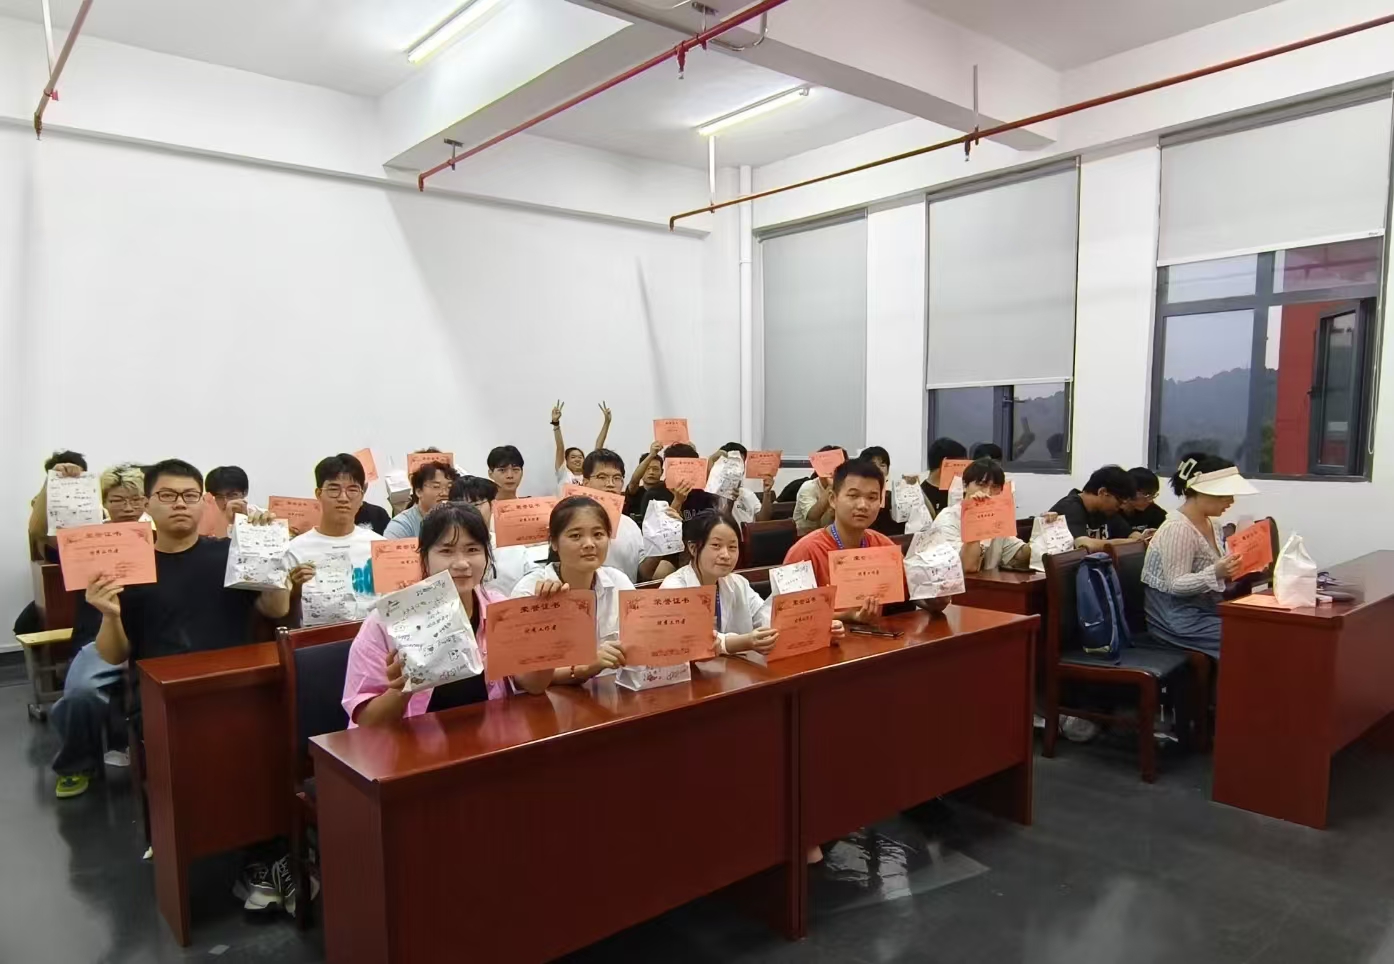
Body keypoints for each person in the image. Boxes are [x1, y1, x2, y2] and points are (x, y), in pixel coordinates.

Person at [66, 460, 312, 801]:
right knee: (189, 793)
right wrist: (109, 615)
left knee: (254, 778)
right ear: (147, 503)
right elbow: (113, 654)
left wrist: (270, 551)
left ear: (202, 503)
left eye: (190, 496)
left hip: (234, 689)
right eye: (168, 495)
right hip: (165, 700)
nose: (180, 504)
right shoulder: (130, 567)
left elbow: (276, 608)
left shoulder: (230, 554)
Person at [342, 502, 551, 728]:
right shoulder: (386, 622)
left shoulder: (500, 609)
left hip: (488, 740)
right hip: (411, 745)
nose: (461, 563)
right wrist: (403, 689)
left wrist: (546, 633)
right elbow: (367, 722)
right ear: (424, 558)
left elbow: (534, 685)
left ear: (487, 555)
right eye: (446, 551)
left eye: (473, 550)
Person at [48, 463, 148, 791]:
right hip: (100, 637)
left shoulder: (160, 536)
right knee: (81, 693)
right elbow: (43, 534)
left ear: (147, 501)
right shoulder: (85, 538)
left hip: (153, 635)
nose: (128, 507)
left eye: (136, 499)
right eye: (118, 500)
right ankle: (77, 763)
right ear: (103, 501)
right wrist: (56, 485)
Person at [660, 510, 845, 664]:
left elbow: (765, 618)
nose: (726, 555)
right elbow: (691, 642)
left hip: (734, 672)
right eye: (716, 545)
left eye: (732, 547)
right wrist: (745, 642)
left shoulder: (737, 583)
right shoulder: (674, 588)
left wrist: (818, 627)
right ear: (693, 548)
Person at [784, 458, 949, 620]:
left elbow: (913, 593)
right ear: (833, 500)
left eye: (872, 498)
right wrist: (846, 617)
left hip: (877, 635)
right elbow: (789, 616)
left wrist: (935, 600)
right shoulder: (805, 551)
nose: (863, 505)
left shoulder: (883, 546)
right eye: (853, 496)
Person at [1142, 454, 1258, 658]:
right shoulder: (1178, 528)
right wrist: (1217, 572)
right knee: (1249, 637)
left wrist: (1237, 567)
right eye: (1224, 494)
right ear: (1201, 491)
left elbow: (1213, 573)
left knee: (1261, 629)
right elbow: (1176, 585)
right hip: (1177, 619)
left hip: (1205, 609)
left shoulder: (1212, 524)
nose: (1231, 501)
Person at [511, 496, 629, 686]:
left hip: (611, 692)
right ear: (554, 542)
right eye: (575, 536)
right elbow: (520, 678)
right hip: (549, 699)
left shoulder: (619, 582)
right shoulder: (530, 590)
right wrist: (583, 669)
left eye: (598, 534)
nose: (589, 544)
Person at [285, 453, 384, 619]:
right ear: (318, 494)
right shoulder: (295, 549)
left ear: (361, 496)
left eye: (352, 490)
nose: (343, 498)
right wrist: (295, 590)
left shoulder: (379, 547)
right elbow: (281, 613)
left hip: (371, 634)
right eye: (333, 489)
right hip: (316, 634)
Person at [927, 458, 1042, 573]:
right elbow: (967, 566)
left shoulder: (996, 518)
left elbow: (1020, 554)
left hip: (988, 582)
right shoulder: (948, 518)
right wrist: (975, 515)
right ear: (965, 485)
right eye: (981, 485)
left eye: (995, 487)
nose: (987, 493)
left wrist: (1045, 531)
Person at [449, 475, 543, 596]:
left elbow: (536, 573)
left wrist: (519, 594)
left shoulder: (510, 547)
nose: (468, 513)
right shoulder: (444, 551)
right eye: (461, 507)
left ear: (492, 505)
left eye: (475, 505)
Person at [576, 449, 653, 582]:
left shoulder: (630, 524)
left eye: (617, 478)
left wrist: (659, 545)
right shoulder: (571, 522)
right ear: (586, 483)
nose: (610, 484)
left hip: (626, 593)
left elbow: (643, 573)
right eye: (602, 477)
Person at [1049, 465, 1139, 552]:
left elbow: (1134, 535)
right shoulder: (1070, 508)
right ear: (1102, 492)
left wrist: (1135, 539)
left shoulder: (1106, 511)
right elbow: (1085, 544)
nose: (1122, 507)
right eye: (1119, 502)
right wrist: (1129, 542)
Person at [26, 450, 88, 562]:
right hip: (58, 560)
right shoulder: (41, 501)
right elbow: (36, 531)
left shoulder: (93, 501)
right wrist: (52, 478)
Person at [860, 445, 927, 535]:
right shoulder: (859, 499)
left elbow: (921, 518)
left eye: (882, 465)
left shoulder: (894, 497)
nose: (878, 469)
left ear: (887, 471)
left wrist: (915, 489)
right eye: (873, 465)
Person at [384, 458, 458, 539]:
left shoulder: (459, 520)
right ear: (419, 491)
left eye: (449, 487)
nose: (444, 493)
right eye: (436, 487)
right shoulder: (401, 526)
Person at [552, 400, 611, 493]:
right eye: (573, 457)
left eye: (580, 457)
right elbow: (560, 448)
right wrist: (556, 423)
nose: (577, 459)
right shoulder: (564, 474)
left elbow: (598, 448)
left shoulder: (589, 476)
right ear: (566, 461)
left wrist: (607, 422)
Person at [793, 446, 846, 536]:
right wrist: (831, 486)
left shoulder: (847, 487)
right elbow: (812, 516)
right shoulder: (809, 487)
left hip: (833, 533)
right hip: (804, 535)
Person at [720, 442, 775, 525]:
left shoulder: (747, 493)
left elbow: (763, 520)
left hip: (752, 533)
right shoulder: (713, 496)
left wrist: (767, 493)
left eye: (741, 464)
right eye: (734, 463)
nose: (739, 469)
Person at [921, 437, 967, 516]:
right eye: (961, 464)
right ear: (945, 464)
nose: (965, 469)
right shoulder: (920, 497)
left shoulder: (964, 492)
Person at [623, 442, 665, 519]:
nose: (651, 472)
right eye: (647, 468)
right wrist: (652, 455)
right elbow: (634, 481)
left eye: (655, 469)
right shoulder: (635, 491)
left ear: (662, 472)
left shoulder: (667, 491)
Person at [1122, 467, 1168, 533]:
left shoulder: (1156, 513)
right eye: (1147, 494)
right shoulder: (1112, 512)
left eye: (1153, 495)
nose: (1150, 500)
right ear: (1130, 490)